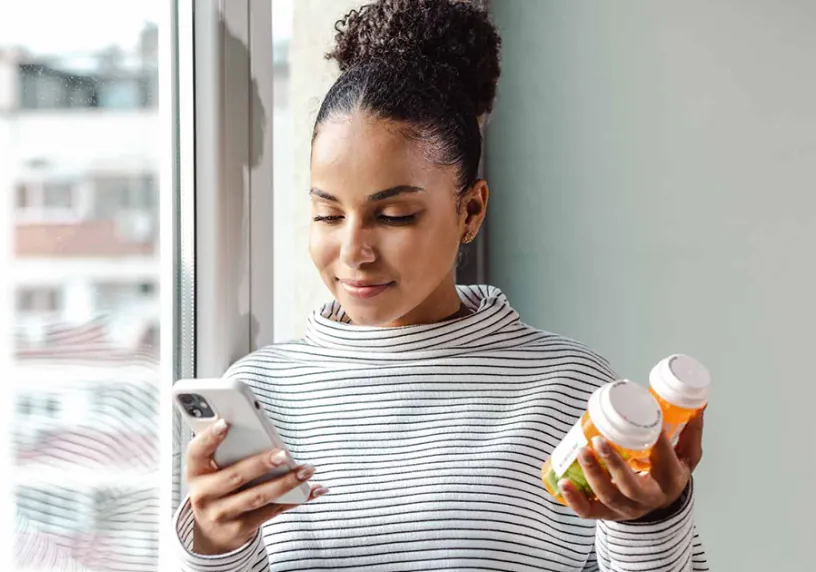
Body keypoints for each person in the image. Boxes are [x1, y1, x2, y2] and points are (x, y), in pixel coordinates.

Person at [174, 1, 708, 570]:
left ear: (471, 210)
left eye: (395, 215)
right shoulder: (258, 394)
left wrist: (652, 522)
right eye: (328, 215)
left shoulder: (569, 392)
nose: (352, 250)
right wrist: (213, 548)